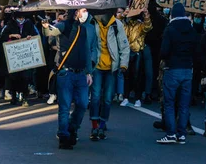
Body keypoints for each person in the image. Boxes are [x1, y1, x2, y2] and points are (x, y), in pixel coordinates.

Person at [43, 9, 93, 150]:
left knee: (83, 104)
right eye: (83, 11)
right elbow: (50, 33)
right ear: (76, 12)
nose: (85, 13)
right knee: (64, 107)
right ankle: (63, 135)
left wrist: (89, 72)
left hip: (81, 73)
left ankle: (72, 127)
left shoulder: (83, 29)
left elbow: (86, 52)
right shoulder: (64, 25)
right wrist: (46, 27)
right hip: (66, 72)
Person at [156, 3, 200, 144]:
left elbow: (164, 51)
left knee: (169, 102)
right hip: (187, 69)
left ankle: (170, 134)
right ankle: (181, 134)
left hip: (172, 68)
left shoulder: (170, 29)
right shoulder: (191, 30)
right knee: (184, 104)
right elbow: (196, 51)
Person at [89, 9, 128, 141]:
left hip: (112, 67)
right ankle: (94, 126)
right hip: (97, 66)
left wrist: (123, 64)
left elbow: (124, 46)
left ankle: (102, 126)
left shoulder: (117, 25)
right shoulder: (93, 23)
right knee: (95, 97)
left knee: (107, 98)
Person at [120, 9, 153, 107]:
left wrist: (146, 16)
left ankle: (137, 98)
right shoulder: (127, 25)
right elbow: (117, 25)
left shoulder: (140, 25)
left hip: (137, 51)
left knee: (137, 76)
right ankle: (126, 97)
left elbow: (148, 27)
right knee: (127, 75)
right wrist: (122, 15)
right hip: (127, 52)